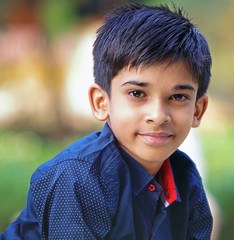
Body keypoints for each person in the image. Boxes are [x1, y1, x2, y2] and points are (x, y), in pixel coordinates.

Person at [0, 3, 213, 240]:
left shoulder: (184, 177)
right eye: (137, 94)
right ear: (101, 102)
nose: (158, 115)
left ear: (198, 110)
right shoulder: (78, 179)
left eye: (178, 97)